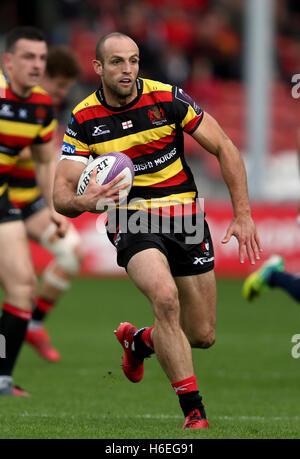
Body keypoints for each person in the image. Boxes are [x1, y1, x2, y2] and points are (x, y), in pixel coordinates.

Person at [53, 32, 261, 429]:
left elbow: (225, 147)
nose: (127, 69)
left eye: (132, 60)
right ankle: (194, 411)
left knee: (202, 334)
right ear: (98, 67)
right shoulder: (83, 118)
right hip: (131, 219)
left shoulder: (167, 98)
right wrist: (87, 198)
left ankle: (140, 341)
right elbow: (61, 194)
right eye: (116, 62)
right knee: (165, 298)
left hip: (184, 216)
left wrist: (243, 213)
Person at [0, 27, 68, 396]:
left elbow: (45, 162)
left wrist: (53, 206)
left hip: (1, 200)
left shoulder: (41, 105)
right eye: (28, 57)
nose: (37, 64)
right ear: (8, 61)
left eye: (42, 58)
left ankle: (1, 379)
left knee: (23, 288)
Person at [8, 46, 83, 362]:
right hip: (4, 205)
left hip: (30, 203)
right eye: (60, 85)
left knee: (71, 253)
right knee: (17, 282)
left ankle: (35, 324)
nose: (63, 93)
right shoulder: (14, 103)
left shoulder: (45, 112)